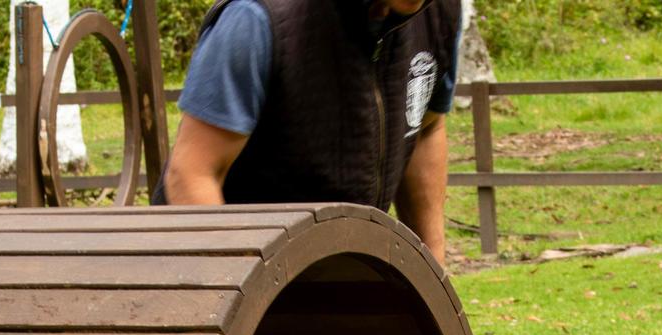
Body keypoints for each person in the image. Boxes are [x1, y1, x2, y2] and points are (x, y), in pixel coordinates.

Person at [156, 0, 459, 266]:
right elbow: (191, 174)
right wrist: (243, 296)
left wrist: (433, 274)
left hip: (339, 273)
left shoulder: (439, 13)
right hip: (222, 273)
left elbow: (425, 127)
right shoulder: (254, 17)